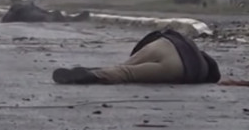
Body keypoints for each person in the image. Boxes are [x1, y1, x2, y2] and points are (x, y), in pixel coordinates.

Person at [52, 28, 221, 85]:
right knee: (127, 73)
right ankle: (94, 75)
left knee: (123, 66)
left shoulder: (193, 46)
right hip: (179, 68)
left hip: (164, 43)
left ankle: (101, 71)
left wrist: (135, 56)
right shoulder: (201, 71)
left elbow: (152, 36)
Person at [1, 1, 90, 23]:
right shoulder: (22, 11)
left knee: (55, 15)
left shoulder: (26, 10)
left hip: (37, 15)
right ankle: (74, 19)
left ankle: (74, 19)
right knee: (55, 16)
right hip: (39, 16)